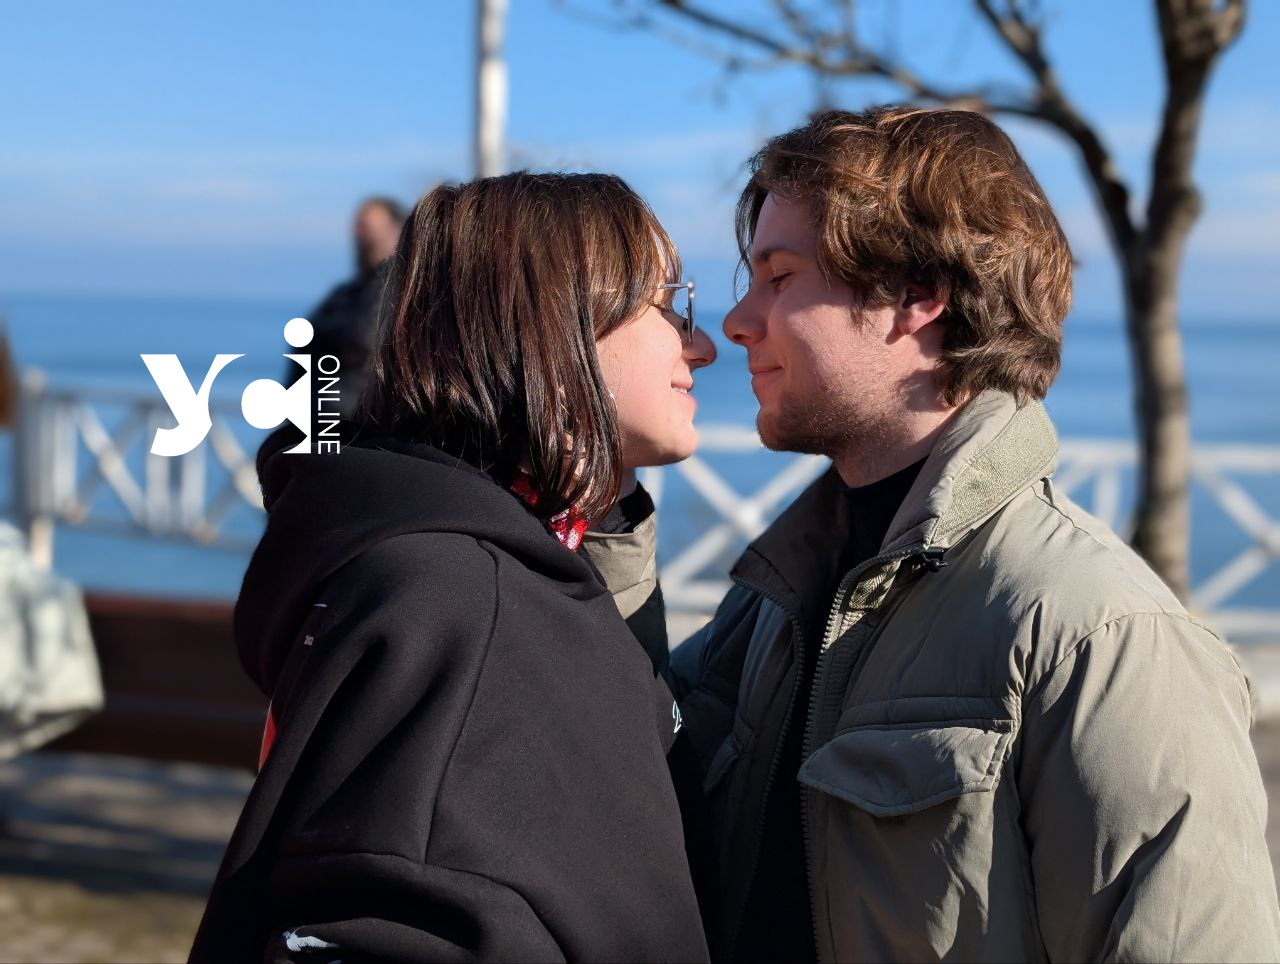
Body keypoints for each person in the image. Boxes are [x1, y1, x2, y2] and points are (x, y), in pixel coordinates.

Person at [664, 107, 1280, 962]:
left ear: (918, 296)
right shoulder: (780, 595)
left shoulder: (1102, 635)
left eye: (781, 277)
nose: (737, 322)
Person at [189, 172, 716, 963]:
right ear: (557, 323)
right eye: (668, 305)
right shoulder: (468, 606)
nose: (702, 345)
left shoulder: (435, 566)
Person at [297, 197, 406, 415]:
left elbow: (363, 341)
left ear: (395, 232)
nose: (358, 236)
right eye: (357, 228)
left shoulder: (398, 291)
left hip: (356, 418)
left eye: (366, 228)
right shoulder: (344, 294)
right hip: (315, 415)